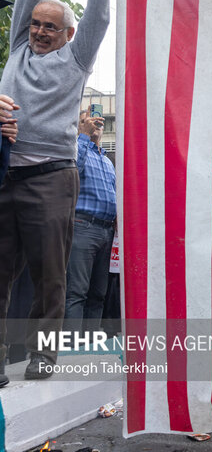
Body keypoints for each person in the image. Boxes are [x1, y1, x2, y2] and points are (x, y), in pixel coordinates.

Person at [0, 0, 111, 382]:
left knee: (50, 273)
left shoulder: (77, 58)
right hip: (5, 173)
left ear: (68, 34)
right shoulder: (17, 48)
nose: (40, 31)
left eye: (50, 26)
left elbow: (98, 14)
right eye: (35, 23)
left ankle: (42, 353)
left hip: (51, 178)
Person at [64, 107, 116, 333]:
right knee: (77, 292)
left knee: (98, 293)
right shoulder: (75, 148)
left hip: (106, 231)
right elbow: (72, 171)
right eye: (87, 121)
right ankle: (72, 349)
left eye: (97, 122)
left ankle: (91, 344)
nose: (94, 125)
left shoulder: (107, 160)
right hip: (83, 226)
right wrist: (83, 136)